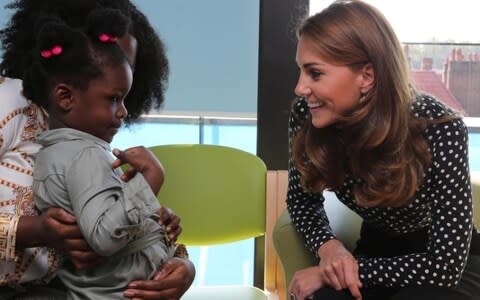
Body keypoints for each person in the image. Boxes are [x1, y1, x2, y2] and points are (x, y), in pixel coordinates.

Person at [286, 1, 480, 300]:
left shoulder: (440, 127)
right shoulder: (307, 113)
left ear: (366, 76)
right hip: (376, 248)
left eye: (315, 74)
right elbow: (301, 202)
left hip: (450, 264)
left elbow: (445, 266)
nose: (301, 87)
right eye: (301, 71)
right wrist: (331, 249)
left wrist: (340, 271)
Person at [0, 0, 194, 299]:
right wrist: (34, 230)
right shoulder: (9, 101)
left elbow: (115, 230)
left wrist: (181, 264)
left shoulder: (90, 136)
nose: (116, 66)